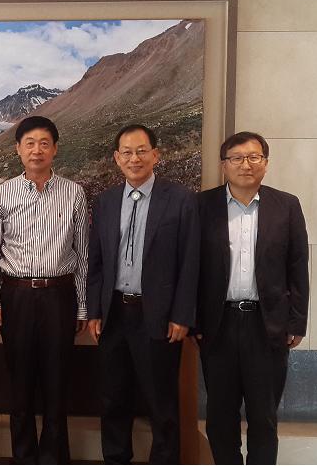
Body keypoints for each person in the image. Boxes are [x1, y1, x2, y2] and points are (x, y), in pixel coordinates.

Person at [86, 124, 199, 464]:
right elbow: (97, 261)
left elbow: (190, 262)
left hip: (159, 316)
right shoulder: (105, 202)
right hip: (114, 314)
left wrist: (182, 315)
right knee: (113, 399)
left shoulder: (180, 199)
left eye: (141, 151)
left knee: (161, 403)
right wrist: (94, 311)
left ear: (155, 155)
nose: (134, 159)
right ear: (116, 158)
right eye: (127, 153)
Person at [196, 131, 308, 465]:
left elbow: (298, 266)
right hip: (218, 325)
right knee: (220, 416)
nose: (245, 164)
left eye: (253, 157)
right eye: (237, 158)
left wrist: (296, 322)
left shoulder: (286, 205)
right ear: (224, 165)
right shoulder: (202, 206)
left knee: (264, 417)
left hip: (267, 325)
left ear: (265, 163)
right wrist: (194, 321)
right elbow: (191, 267)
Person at [0, 116, 88, 464]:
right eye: (29, 143)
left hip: (60, 296)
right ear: (18, 149)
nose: (37, 150)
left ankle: (54, 459)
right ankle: (24, 458)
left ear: (55, 149)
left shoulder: (74, 193)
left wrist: (81, 305)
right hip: (16, 296)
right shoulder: (1, 194)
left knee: (57, 385)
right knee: (20, 387)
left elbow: (83, 254)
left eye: (44, 143)